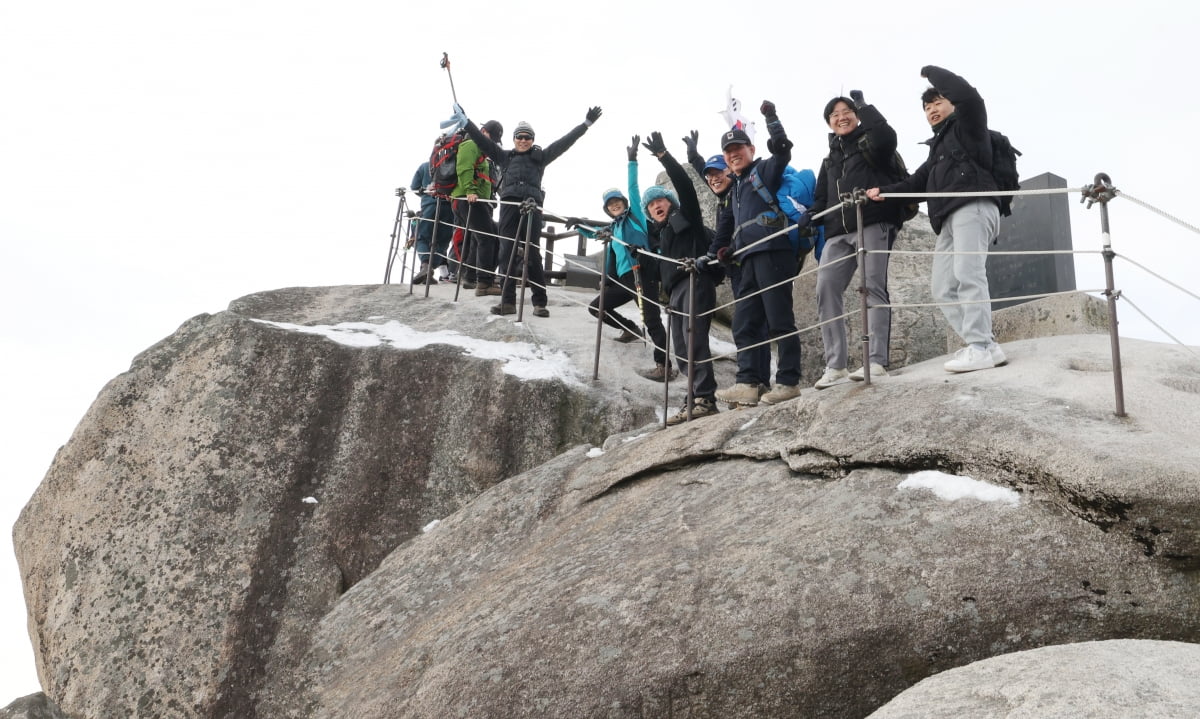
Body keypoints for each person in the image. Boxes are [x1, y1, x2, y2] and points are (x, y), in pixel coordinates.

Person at [867, 65, 1007, 373]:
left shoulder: (969, 128)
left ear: (951, 104)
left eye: (937, 102)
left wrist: (933, 74)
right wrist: (883, 192)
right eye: (927, 107)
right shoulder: (936, 151)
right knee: (942, 287)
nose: (932, 109)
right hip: (947, 218)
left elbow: (971, 98)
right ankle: (984, 343)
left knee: (968, 274)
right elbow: (915, 184)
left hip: (974, 205)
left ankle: (980, 346)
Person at [457, 105, 602, 318]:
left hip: (532, 206)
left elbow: (564, 143)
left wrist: (585, 124)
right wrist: (466, 121)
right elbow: (482, 141)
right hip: (509, 207)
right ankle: (507, 303)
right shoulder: (504, 156)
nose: (523, 140)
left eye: (527, 137)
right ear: (514, 139)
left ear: (532, 140)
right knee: (506, 251)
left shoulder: (540, 157)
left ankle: (540, 303)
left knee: (533, 254)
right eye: (519, 137)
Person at [809, 90, 907, 390]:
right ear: (829, 123)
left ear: (857, 114)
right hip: (838, 232)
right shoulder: (830, 160)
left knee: (872, 287)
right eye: (834, 114)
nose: (841, 117)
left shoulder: (872, 143)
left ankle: (876, 361)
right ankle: (835, 365)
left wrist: (865, 105)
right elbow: (820, 198)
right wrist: (810, 218)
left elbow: (887, 136)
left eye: (847, 111)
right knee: (825, 289)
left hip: (872, 221)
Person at [711, 101, 804, 407]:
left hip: (772, 253)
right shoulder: (735, 188)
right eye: (728, 152)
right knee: (745, 323)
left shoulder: (762, 170)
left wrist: (772, 119)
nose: (733, 154)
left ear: (750, 149)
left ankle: (788, 381)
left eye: (738, 148)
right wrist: (727, 250)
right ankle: (749, 382)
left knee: (779, 319)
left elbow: (782, 151)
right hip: (746, 259)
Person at [570, 136, 675, 381]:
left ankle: (664, 366)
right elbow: (596, 234)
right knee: (597, 307)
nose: (615, 205)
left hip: (643, 272)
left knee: (652, 319)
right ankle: (630, 329)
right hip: (625, 279)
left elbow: (633, 188)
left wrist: (632, 160)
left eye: (617, 202)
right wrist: (578, 226)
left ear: (624, 204)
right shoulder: (613, 228)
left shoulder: (636, 216)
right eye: (610, 204)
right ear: (607, 209)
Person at [685, 133, 773, 403]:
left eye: (718, 173)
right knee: (750, 324)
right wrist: (693, 156)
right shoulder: (726, 196)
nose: (713, 179)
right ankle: (756, 382)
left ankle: (759, 382)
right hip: (736, 269)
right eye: (709, 175)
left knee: (755, 324)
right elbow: (707, 175)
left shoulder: (739, 190)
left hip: (752, 261)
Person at [642, 131, 722, 425]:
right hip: (675, 291)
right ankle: (693, 398)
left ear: (670, 202)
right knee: (680, 346)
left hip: (694, 280)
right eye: (651, 205)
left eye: (660, 200)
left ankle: (705, 398)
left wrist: (665, 156)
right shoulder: (660, 235)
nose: (656, 205)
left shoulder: (685, 218)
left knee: (693, 339)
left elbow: (686, 185)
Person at [451, 119, 504, 295]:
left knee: (479, 238)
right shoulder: (471, 144)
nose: (492, 142)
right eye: (491, 137)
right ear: (482, 131)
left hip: (476, 201)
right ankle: (484, 283)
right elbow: (464, 167)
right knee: (486, 238)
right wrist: (470, 191)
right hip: (468, 199)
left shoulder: (481, 149)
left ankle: (470, 276)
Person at [410, 157, 454, 284]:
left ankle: (425, 266)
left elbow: (414, 186)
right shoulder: (454, 164)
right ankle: (430, 269)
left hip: (429, 207)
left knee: (420, 236)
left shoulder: (425, 166)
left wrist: (426, 195)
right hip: (449, 208)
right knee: (443, 242)